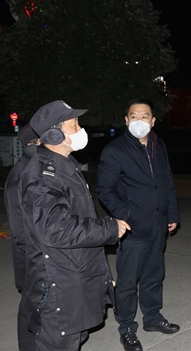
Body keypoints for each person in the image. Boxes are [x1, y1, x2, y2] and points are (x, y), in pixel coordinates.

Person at [20, 100, 130, 351]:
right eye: (75, 125)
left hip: (73, 276)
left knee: (74, 341)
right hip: (59, 286)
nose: (81, 130)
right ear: (53, 135)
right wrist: (109, 228)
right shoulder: (42, 176)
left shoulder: (63, 166)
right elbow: (55, 229)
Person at [97, 99, 180, 351]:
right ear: (126, 120)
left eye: (144, 116)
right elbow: (105, 190)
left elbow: (166, 182)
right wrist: (127, 214)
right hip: (133, 229)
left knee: (154, 276)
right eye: (134, 116)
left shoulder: (158, 145)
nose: (139, 121)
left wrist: (172, 214)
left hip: (158, 224)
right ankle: (126, 328)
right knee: (127, 282)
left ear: (153, 121)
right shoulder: (115, 150)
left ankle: (152, 317)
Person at [4, 124, 40, 351]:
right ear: (32, 145)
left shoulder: (34, 169)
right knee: (30, 312)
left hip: (40, 259)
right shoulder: (21, 176)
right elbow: (20, 232)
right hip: (31, 261)